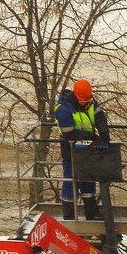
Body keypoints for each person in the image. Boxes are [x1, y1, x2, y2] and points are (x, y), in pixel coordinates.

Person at [53, 78, 111, 221]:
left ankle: (91, 213)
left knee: (88, 179)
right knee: (71, 181)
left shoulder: (90, 101)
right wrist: (93, 137)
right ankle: (70, 216)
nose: (86, 103)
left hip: (87, 150)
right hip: (71, 150)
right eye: (84, 101)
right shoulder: (63, 109)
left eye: (88, 100)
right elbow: (69, 133)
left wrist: (104, 135)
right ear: (76, 96)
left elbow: (100, 118)